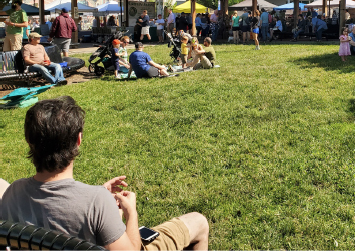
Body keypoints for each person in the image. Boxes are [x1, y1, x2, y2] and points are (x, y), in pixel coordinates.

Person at [0, 96, 209, 251]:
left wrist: (97, 197)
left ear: (29, 141)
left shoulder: (12, 193)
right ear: (78, 141)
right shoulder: (96, 202)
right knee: (198, 222)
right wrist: (130, 214)